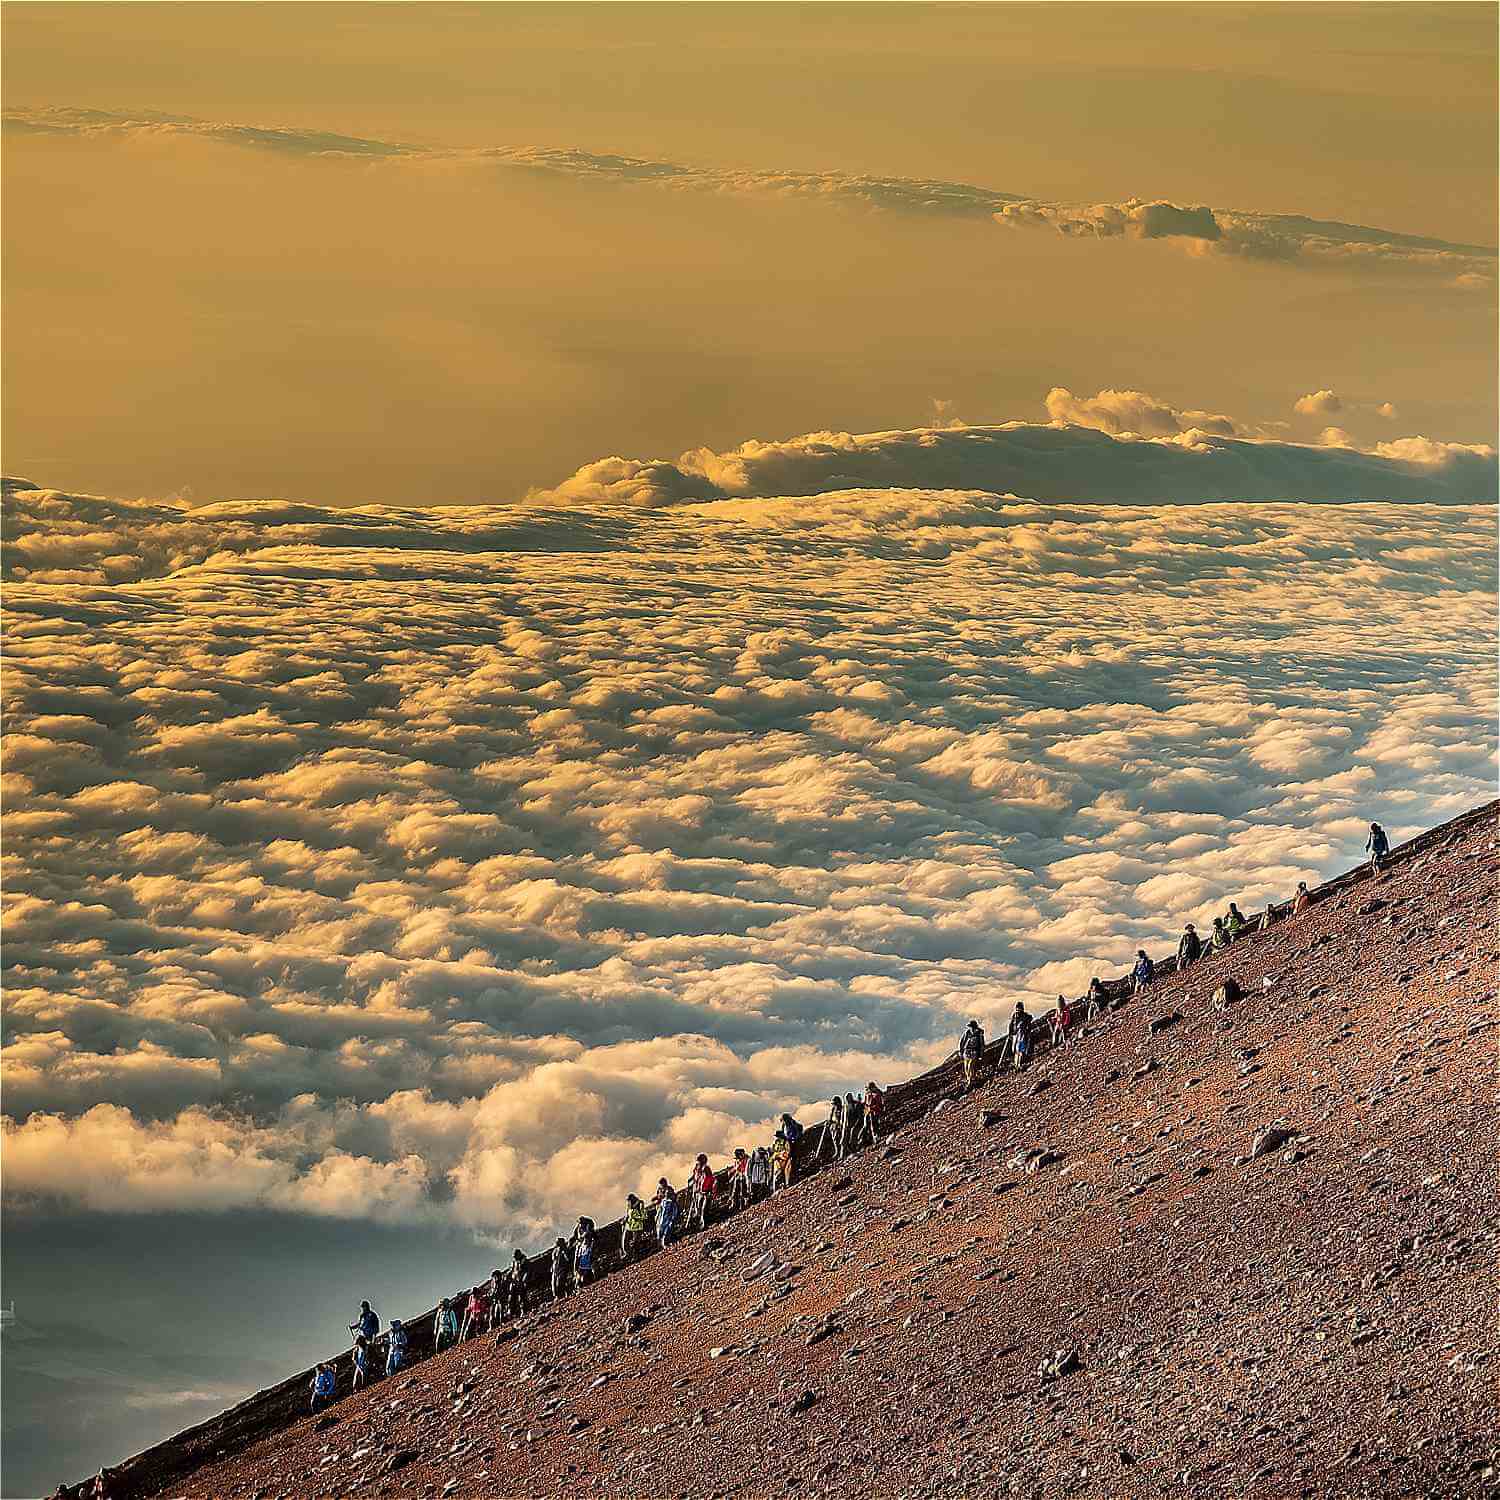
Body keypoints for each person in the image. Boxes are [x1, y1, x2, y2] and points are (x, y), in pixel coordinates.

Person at [688, 1155, 716, 1231]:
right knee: (699, 1208)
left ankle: (704, 1224)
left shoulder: (706, 1169)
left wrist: (708, 1190)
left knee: (704, 1208)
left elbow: (709, 1179)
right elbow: (694, 1177)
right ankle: (700, 1224)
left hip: (705, 1192)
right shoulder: (697, 1168)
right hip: (699, 1191)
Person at [502, 1249, 529, 1319]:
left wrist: (524, 1279)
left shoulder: (524, 1261)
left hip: (520, 1281)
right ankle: (511, 1312)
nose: (514, 1257)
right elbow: (511, 1270)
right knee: (511, 1298)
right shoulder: (514, 1262)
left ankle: (524, 1310)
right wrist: (506, 1276)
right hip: (514, 1281)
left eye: (515, 1256)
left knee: (522, 1297)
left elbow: (527, 1271)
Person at [959, 1019, 986, 1090]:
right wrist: (961, 1051)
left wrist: (981, 1053)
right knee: (966, 1067)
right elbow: (962, 1042)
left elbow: (982, 1044)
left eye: (972, 1027)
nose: (971, 1028)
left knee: (971, 1065)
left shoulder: (979, 1033)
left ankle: (971, 1080)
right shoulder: (967, 1033)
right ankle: (969, 1079)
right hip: (966, 1051)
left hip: (974, 1051)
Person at [857, 1082, 884, 1146]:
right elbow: (866, 1103)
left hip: (874, 1112)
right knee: (866, 1126)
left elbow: (878, 1105)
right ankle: (864, 1139)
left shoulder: (877, 1095)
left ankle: (875, 1139)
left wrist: (871, 1108)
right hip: (868, 1112)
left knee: (874, 1126)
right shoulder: (868, 1094)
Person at [818, 1096, 845, 1162]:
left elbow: (842, 1118)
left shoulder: (842, 1109)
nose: (834, 1104)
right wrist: (829, 1122)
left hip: (838, 1126)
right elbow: (830, 1117)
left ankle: (839, 1152)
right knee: (834, 1139)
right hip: (833, 1126)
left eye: (835, 1103)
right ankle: (837, 1151)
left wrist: (840, 1125)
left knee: (838, 1139)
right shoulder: (833, 1109)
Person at [573, 1216, 597, 1286]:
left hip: (588, 1246)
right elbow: (577, 1236)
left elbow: (591, 1235)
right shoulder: (578, 1229)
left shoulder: (589, 1226)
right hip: (581, 1246)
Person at [655, 1182, 680, 1247]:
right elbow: (660, 1209)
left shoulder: (671, 1201)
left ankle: (665, 1241)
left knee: (668, 1227)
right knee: (660, 1228)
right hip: (662, 1216)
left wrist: (673, 1217)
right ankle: (660, 1242)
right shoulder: (662, 1199)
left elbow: (674, 1210)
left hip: (668, 1216)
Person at [1009, 1002, 1032, 1071]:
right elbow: (1011, 1025)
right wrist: (1010, 1033)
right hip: (1015, 1035)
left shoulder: (1025, 1016)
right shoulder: (1014, 1016)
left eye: (1019, 1008)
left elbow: (1029, 1022)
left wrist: (1027, 1031)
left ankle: (1019, 1064)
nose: (1018, 1009)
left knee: (1020, 1049)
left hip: (1022, 1035)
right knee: (1015, 1050)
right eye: (1017, 1008)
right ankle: (1016, 1064)